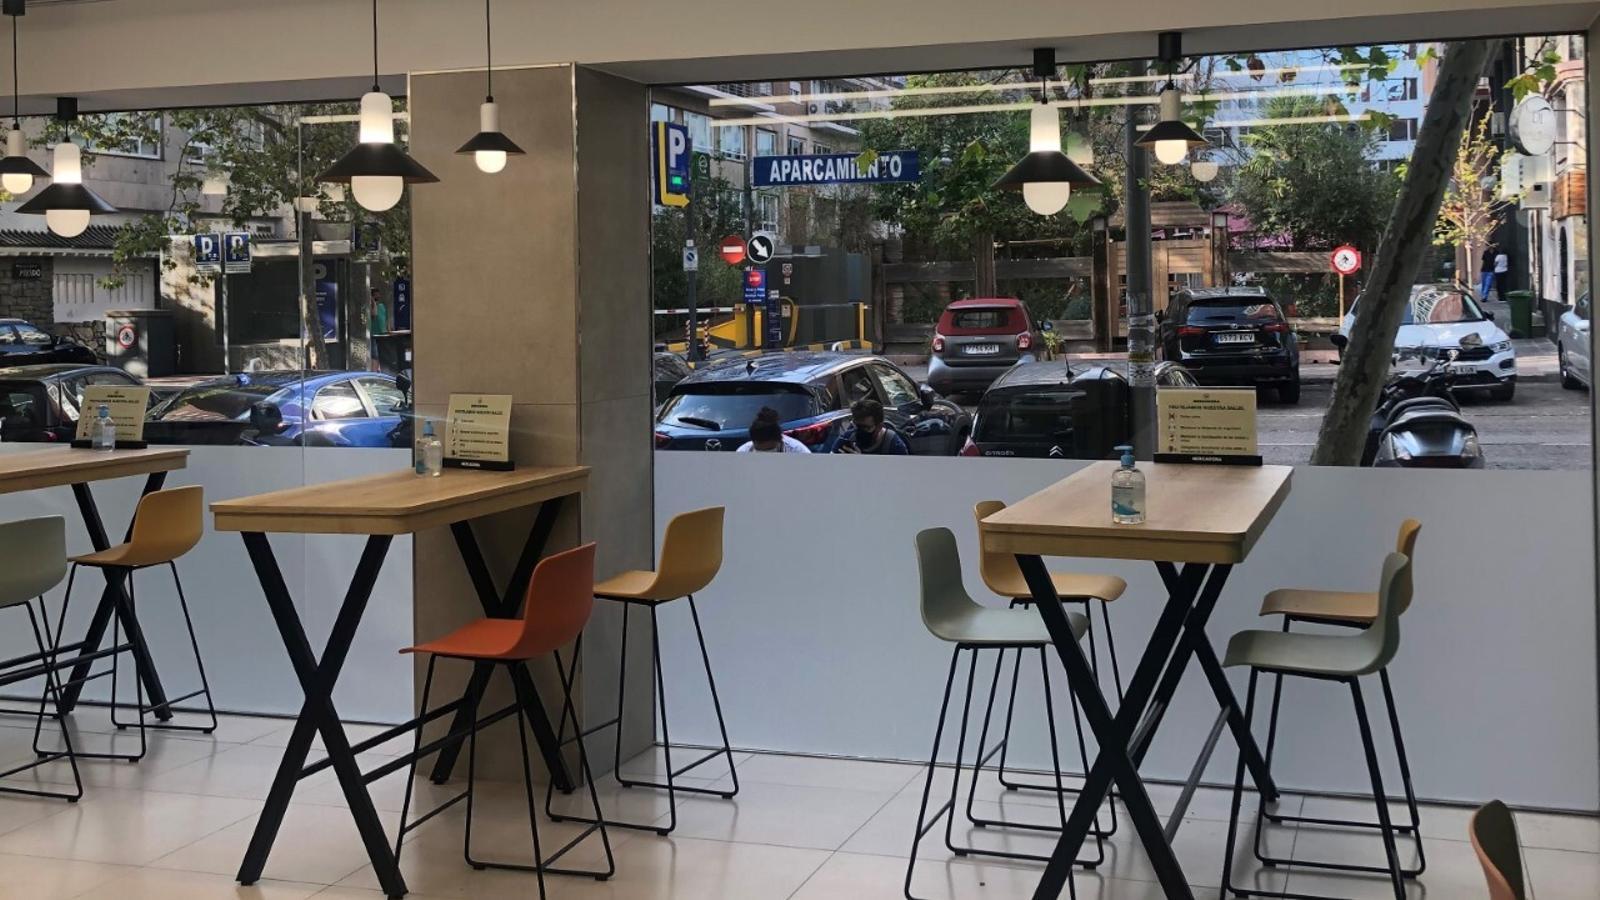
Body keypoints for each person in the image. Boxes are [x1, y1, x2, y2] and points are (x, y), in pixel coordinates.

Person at [835, 398, 909, 455]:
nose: (860, 430)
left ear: (879, 426)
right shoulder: (847, 438)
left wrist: (861, 462)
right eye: (856, 426)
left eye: (866, 427)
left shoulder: (893, 444)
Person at [737, 407, 810, 453]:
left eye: (770, 450)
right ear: (753, 441)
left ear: (779, 440)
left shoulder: (798, 451)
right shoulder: (743, 451)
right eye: (760, 451)